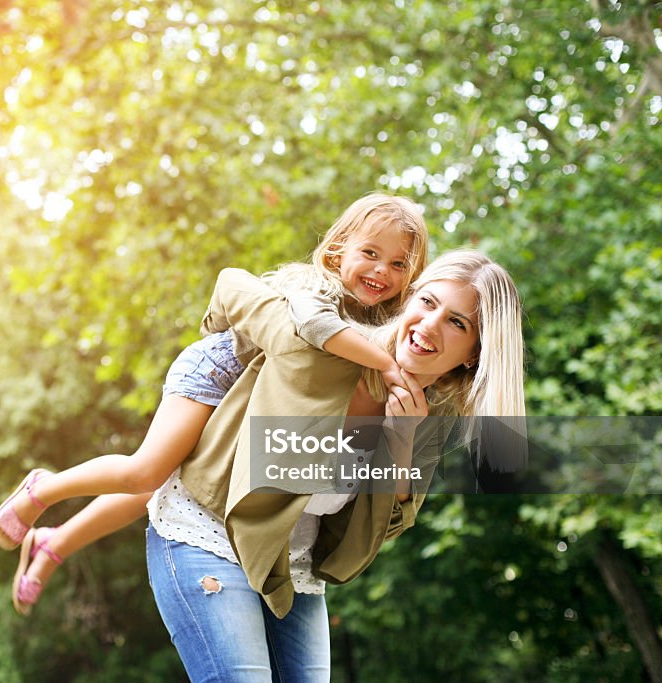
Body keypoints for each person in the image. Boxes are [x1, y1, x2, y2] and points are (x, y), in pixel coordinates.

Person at [0, 193, 429, 614]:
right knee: (149, 471)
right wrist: (386, 365)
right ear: (337, 251)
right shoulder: (314, 288)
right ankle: (41, 489)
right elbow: (312, 327)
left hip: (258, 399)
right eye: (370, 253)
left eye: (397, 264)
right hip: (221, 372)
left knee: (161, 488)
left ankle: (55, 543)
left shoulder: (389, 324)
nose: (381, 271)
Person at [147, 250, 526, 681]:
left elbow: (387, 524)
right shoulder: (331, 344)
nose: (429, 325)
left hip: (293, 571)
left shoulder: (430, 416)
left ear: (474, 354)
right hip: (208, 531)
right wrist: (211, 346)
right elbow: (235, 289)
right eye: (427, 302)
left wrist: (401, 438)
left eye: (457, 322)